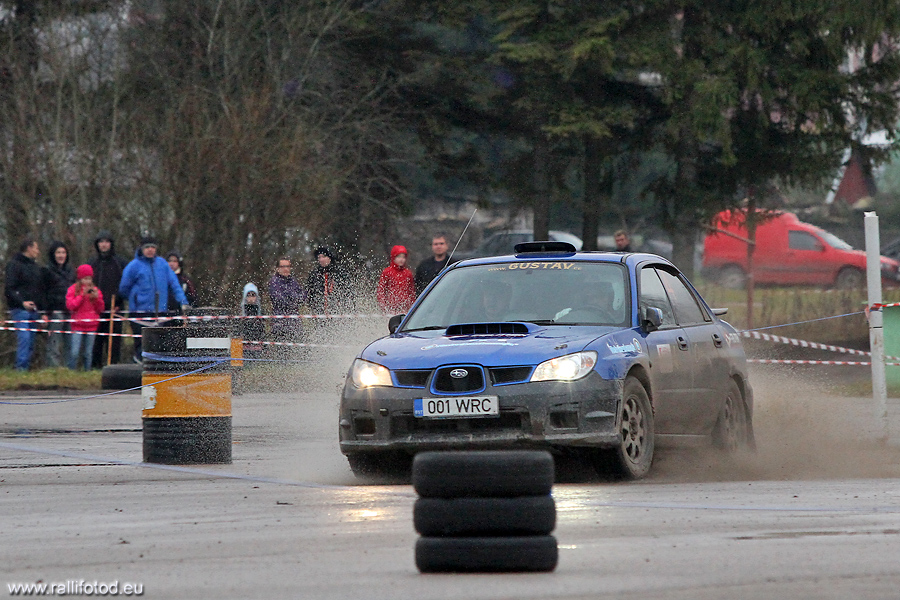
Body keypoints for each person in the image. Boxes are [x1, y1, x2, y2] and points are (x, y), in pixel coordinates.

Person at [119, 237, 189, 362]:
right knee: (141, 343)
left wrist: (183, 302)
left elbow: (174, 285)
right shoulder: (133, 266)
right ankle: (138, 364)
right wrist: (135, 299)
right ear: (141, 249)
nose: (150, 250)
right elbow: (124, 288)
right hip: (139, 312)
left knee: (158, 343)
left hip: (160, 311)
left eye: (153, 247)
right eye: (147, 247)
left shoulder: (163, 265)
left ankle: (155, 367)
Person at [5, 239, 46, 370]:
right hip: (19, 310)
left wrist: (42, 311)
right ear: (29, 248)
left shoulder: (35, 267)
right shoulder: (14, 265)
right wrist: (22, 303)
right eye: (36, 248)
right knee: (24, 338)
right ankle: (20, 368)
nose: (38, 251)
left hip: (34, 310)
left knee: (31, 341)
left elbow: (40, 290)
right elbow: (9, 289)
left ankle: (26, 368)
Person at [89, 230, 128, 367]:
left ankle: (113, 366)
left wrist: (119, 302)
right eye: (101, 242)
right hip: (96, 308)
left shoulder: (120, 262)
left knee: (114, 340)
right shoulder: (92, 263)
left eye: (106, 242)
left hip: (115, 307)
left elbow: (126, 284)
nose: (104, 245)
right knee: (96, 340)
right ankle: (95, 367)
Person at [66, 264, 105, 370]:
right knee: (74, 352)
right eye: (85, 279)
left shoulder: (95, 290)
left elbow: (100, 309)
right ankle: (71, 371)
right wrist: (81, 296)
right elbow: (70, 306)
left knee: (88, 353)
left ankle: (87, 371)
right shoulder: (73, 290)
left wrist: (97, 299)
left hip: (92, 325)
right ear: (80, 278)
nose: (87, 281)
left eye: (89, 278)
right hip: (77, 325)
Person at [42, 241, 75, 368]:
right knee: (54, 342)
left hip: (70, 311)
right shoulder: (46, 270)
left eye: (63, 252)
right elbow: (43, 292)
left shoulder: (71, 271)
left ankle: (69, 369)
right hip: (55, 311)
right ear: (53, 254)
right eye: (58, 253)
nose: (61, 255)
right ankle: (53, 369)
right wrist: (45, 312)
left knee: (70, 343)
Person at [267, 256, 304, 341]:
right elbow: (279, 300)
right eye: (283, 266)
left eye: (288, 266)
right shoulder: (274, 282)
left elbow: (303, 296)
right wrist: (293, 299)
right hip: (280, 325)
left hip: (295, 324)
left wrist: (291, 297)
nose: (286, 269)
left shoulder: (293, 281)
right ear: (277, 269)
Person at [304, 246, 348, 315]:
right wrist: (312, 307)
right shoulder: (314, 275)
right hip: (319, 314)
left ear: (330, 258)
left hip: (338, 313)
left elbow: (347, 291)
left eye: (324, 257)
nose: (321, 259)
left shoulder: (339, 273)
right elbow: (309, 292)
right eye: (319, 257)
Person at [377, 245, 415, 314]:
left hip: (405, 308)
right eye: (399, 257)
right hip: (391, 308)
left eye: (403, 257)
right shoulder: (387, 272)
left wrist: (412, 306)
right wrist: (384, 306)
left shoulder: (408, 273)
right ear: (393, 257)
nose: (401, 259)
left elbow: (411, 292)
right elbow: (381, 290)